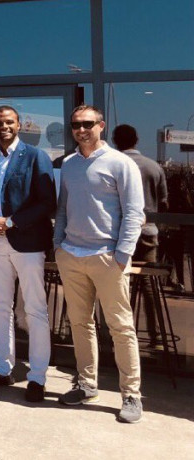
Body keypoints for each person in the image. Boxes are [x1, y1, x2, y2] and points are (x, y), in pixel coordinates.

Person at [55, 106, 145, 423]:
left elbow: (134, 213)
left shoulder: (121, 164)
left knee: (120, 327)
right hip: (72, 255)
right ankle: (87, 385)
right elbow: (63, 208)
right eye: (76, 125)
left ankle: (132, 395)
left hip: (108, 257)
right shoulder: (68, 165)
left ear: (101, 126)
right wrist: (58, 245)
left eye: (88, 124)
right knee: (80, 325)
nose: (81, 129)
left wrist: (121, 255)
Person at [0, 106, 56, 402]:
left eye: (9, 122)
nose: (4, 126)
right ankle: (2, 369)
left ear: (19, 125)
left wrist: (11, 221)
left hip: (28, 242)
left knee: (34, 309)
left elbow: (47, 202)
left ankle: (36, 377)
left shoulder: (36, 157)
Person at [113, 124, 169, 348]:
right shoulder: (154, 167)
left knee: (117, 285)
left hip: (118, 233)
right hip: (147, 233)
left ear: (116, 141)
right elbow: (164, 203)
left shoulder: (114, 165)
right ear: (136, 140)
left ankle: (120, 338)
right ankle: (156, 337)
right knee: (148, 286)